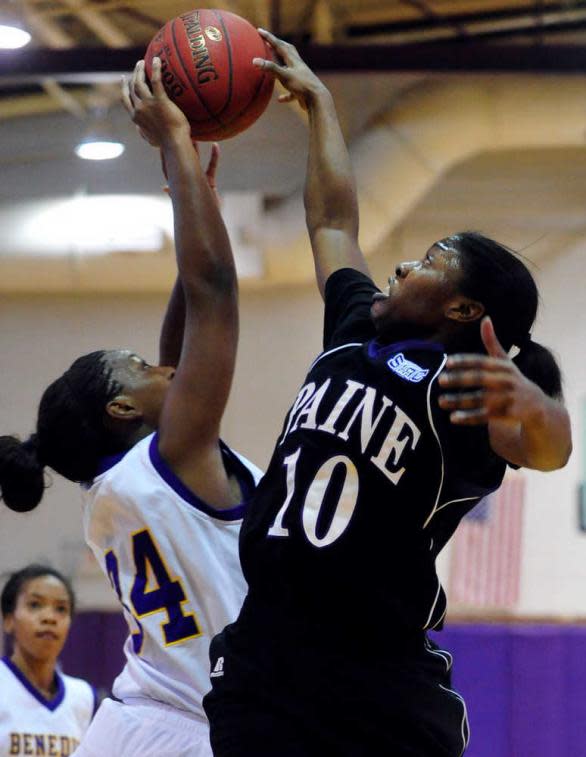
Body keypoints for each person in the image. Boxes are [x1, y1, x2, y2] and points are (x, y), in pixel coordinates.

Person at [203, 31, 573, 757]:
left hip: (372, 680)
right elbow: (333, 220)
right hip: (266, 656)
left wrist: (542, 411)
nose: (404, 263)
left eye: (431, 260)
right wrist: (320, 108)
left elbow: (547, 450)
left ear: (464, 310)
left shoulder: (461, 391)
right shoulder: (351, 328)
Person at [0, 58, 261, 757]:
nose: (165, 366)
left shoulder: (121, 484)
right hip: (194, 733)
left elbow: (186, 323)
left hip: (131, 721)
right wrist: (175, 147)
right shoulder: (172, 455)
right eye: (142, 368)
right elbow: (215, 298)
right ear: (121, 406)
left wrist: (190, 204)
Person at [0, 564, 96, 756]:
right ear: (8, 620)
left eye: (61, 609)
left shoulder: (83, 696)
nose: (50, 618)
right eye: (35, 605)